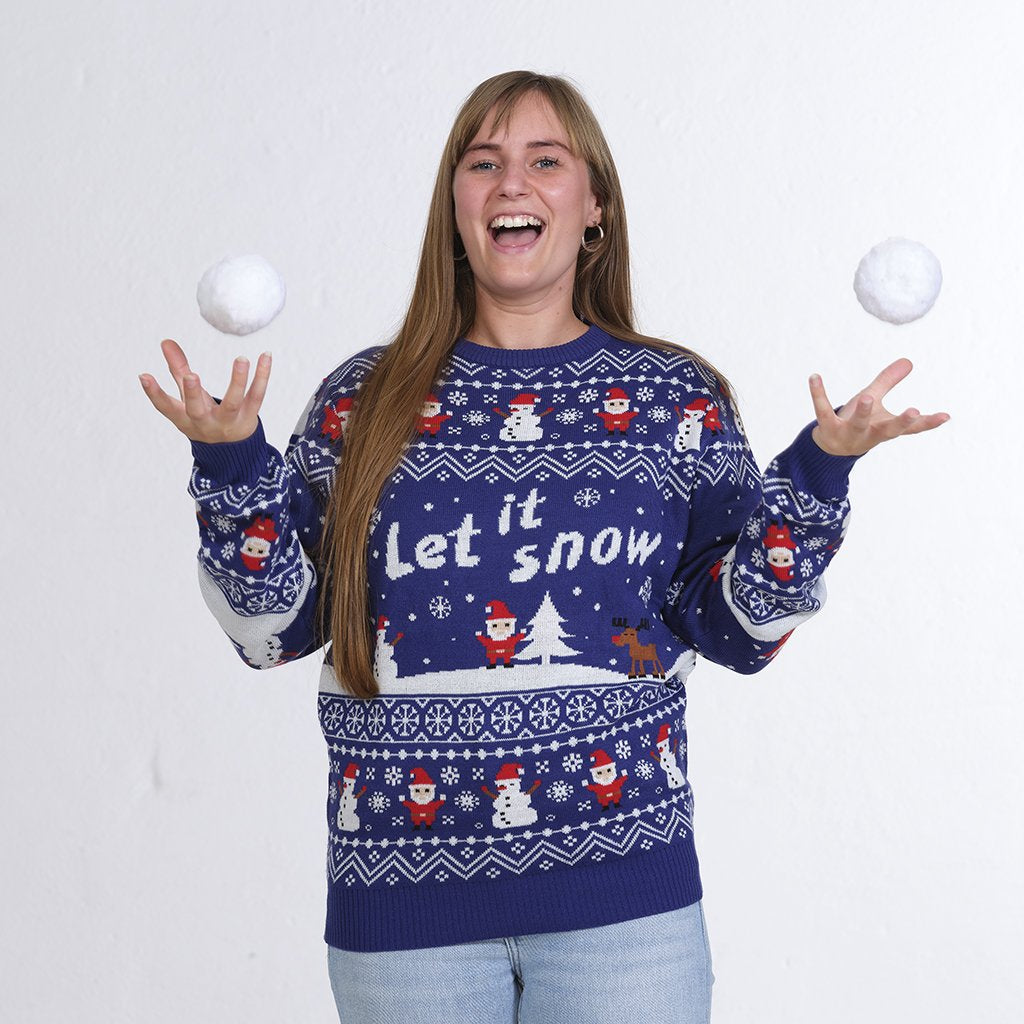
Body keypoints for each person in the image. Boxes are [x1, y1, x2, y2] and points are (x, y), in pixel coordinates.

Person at [140, 70, 949, 1024]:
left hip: (627, 912)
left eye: (545, 161)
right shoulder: (361, 401)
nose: (512, 183)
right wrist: (231, 460)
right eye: (483, 163)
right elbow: (270, 631)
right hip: (403, 913)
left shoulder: (673, 399)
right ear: (455, 204)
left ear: (594, 204)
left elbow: (738, 632)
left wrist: (821, 468)